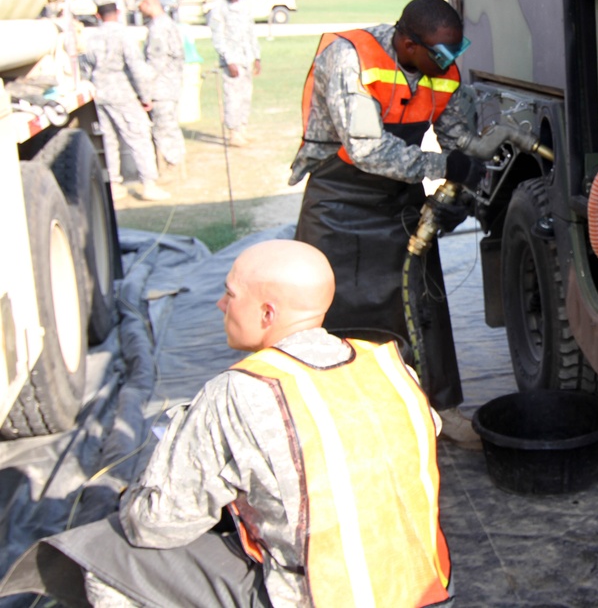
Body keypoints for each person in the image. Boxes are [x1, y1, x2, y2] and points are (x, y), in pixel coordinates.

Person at [0, 239, 453, 607]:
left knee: (105, 553)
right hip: (423, 587)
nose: (220, 304)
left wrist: (136, 492)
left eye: (231, 294)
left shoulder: (243, 391)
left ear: (267, 313)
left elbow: (155, 524)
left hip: (321, 596)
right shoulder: (390, 367)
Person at [289, 0, 484, 450]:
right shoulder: (350, 59)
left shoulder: (443, 69)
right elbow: (368, 150)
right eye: (441, 53)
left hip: (397, 199)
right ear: (408, 43)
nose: (450, 62)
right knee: (322, 311)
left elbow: (462, 143)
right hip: (338, 199)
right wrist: (443, 167)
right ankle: (324, 419)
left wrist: (466, 190)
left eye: (456, 50)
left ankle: (439, 408)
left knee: (423, 305)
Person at [81, 1, 170, 201]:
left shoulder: (91, 37)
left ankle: (113, 184)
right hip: (122, 93)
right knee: (139, 137)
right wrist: (145, 96)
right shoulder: (124, 35)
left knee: (108, 140)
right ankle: (149, 184)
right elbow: (136, 68)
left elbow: (85, 68)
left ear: (98, 15)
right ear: (118, 13)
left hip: (99, 94)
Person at [138, 0, 186, 182]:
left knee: (164, 129)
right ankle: (174, 163)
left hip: (161, 87)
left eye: (140, 6)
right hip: (170, 85)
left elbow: (154, 64)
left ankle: (172, 165)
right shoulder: (168, 23)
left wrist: (145, 92)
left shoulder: (158, 28)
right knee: (170, 126)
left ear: (148, 3)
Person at [209, 0, 261, 147]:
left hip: (246, 57)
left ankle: (242, 128)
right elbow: (218, 38)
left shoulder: (245, 7)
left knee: (246, 95)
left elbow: (251, 33)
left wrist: (257, 57)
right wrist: (229, 60)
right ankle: (233, 132)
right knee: (232, 97)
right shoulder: (219, 9)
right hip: (232, 60)